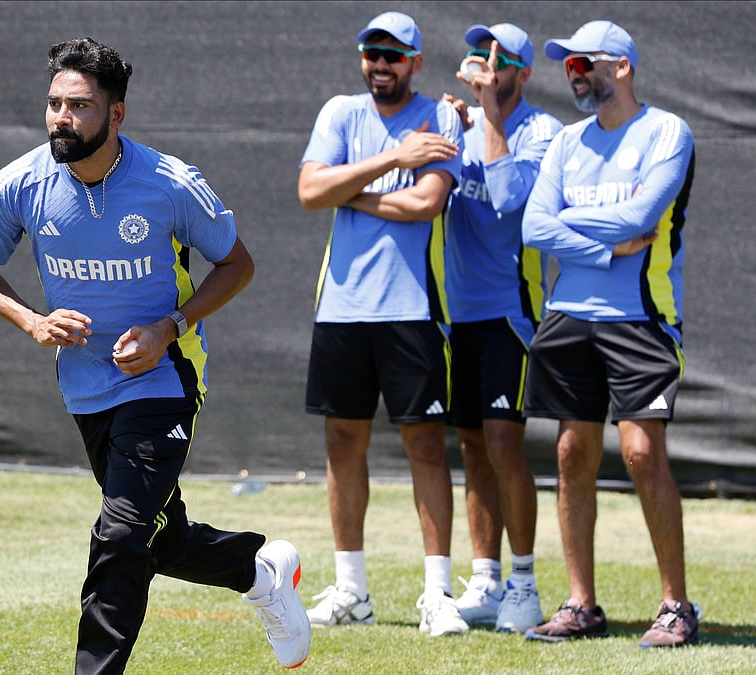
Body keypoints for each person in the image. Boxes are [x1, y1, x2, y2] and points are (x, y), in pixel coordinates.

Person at [0, 37, 310, 672]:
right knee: (158, 539)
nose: (61, 118)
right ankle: (258, 570)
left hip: (164, 381)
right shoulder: (22, 183)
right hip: (84, 388)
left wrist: (168, 329)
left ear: (116, 115)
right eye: (54, 104)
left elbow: (237, 264)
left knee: (120, 534)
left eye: (80, 106)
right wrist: (34, 323)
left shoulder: (168, 184)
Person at [518, 21, 701, 648]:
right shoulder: (567, 142)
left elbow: (641, 217)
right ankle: (581, 605)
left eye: (582, 63)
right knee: (571, 454)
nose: (572, 72)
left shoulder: (668, 132)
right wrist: (602, 249)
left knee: (644, 454)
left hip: (642, 318)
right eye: (566, 65)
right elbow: (534, 228)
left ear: (621, 66)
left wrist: (571, 222)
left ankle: (676, 606)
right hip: (569, 315)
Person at [296, 11, 469, 637]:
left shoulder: (443, 117)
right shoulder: (340, 113)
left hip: (414, 309)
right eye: (372, 53)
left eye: (394, 56)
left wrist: (348, 189)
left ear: (416, 62)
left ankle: (438, 594)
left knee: (425, 444)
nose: (381, 65)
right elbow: (310, 192)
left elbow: (426, 204)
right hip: (342, 307)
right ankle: (351, 591)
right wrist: (394, 157)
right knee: (343, 445)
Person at [440, 22, 562, 634]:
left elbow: (512, 199)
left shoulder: (545, 132)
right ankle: (485, 579)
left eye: (501, 59)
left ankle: (525, 584)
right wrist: (444, 128)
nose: (486, 65)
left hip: (511, 315)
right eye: (479, 55)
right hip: (456, 316)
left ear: (523, 72)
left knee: (505, 442)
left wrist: (486, 115)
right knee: (470, 448)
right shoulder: (454, 123)